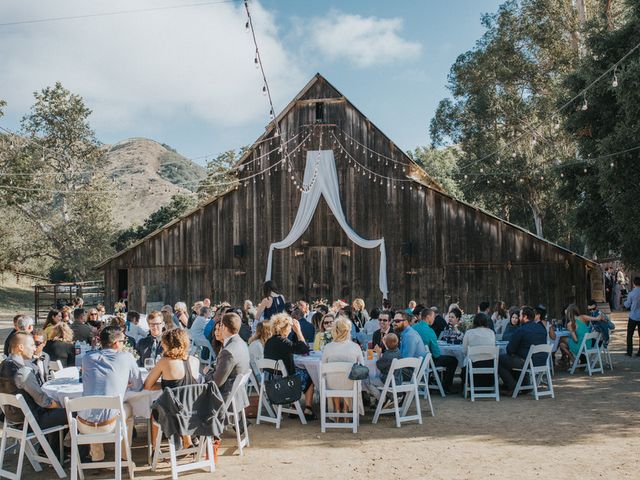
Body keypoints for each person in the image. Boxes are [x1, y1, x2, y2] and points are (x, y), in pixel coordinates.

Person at [78, 326, 143, 462]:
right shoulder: (127, 357)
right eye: (123, 341)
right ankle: (125, 455)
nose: (124, 344)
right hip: (109, 424)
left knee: (93, 405)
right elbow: (138, 386)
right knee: (128, 409)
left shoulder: (87, 358)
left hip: (83, 424)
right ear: (116, 343)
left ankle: (97, 455)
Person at [0, 332, 68, 454]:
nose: (34, 348)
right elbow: (44, 402)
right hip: (31, 422)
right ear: (21, 347)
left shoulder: (3, 365)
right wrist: (64, 404)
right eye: (31, 345)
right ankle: (63, 454)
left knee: (57, 411)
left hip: (12, 419)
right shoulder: (23, 373)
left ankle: (52, 451)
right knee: (70, 412)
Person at [144, 328, 200, 447]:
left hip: (174, 414)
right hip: (194, 411)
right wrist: (169, 386)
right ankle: (188, 437)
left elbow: (148, 385)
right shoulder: (195, 361)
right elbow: (186, 385)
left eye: (163, 342)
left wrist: (166, 386)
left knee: (154, 412)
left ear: (168, 344)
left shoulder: (165, 362)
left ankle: (155, 448)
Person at [263, 313, 315, 419]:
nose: (291, 330)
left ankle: (293, 407)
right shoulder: (283, 341)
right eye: (290, 327)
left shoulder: (269, 341)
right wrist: (299, 331)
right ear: (285, 328)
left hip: (270, 382)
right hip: (283, 385)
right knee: (309, 375)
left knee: (295, 371)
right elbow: (304, 349)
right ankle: (308, 409)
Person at [498, 306, 547, 394]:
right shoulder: (541, 328)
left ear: (525, 317)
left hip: (527, 362)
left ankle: (512, 387)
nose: (519, 318)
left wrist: (514, 353)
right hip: (542, 362)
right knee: (513, 359)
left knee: (499, 359)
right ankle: (524, 385)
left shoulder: (521, 330)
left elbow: (509, 349)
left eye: (520, 315)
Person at [321, 317, 363, 414]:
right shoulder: (355, 346)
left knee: (334, 379)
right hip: (350, 384)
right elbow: (362, 366)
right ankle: (345, 409)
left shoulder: (328, 347)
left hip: (332, 384)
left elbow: (323, 367)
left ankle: (337, 410)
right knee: (349, 379)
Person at [414, 308, 458, 393]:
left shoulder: (413, 328)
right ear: (428, 317)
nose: (434, 319)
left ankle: (432, 381)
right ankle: (445, 387)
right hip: (426, 363)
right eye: (433, 317)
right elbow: (436, 354)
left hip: (414, 360)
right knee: (453, 361)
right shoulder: (430, 331)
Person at [208, 312, 251, 399]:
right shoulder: (242, 343)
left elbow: (216, 383)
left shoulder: (228, 351)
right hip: (239, 395)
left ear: (224, 327)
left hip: (225, 397)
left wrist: (206, 374)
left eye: (220, 325)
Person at [462, 313, 496, 387]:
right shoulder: (491, 333)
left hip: (473, 367)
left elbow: (464, 351)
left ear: (474, 322)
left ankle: (467, 386)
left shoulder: (469, 333)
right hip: (490, 367)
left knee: (465, 364)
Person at [392, 311, 426, 381]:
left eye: (397, 321)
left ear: (406, 322)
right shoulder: (406, 333)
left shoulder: (409, 336)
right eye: (394, 321)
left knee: (386, 368)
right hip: (411, 370)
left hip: (413, 374)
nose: (394, 323)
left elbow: (405, 361)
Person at [624, 276, 640, 357]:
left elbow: (627, 305)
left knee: (630, 335)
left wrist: (624, 303)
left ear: (634, 283)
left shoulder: (631, 293)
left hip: (633, 316)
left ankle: (629, 352)